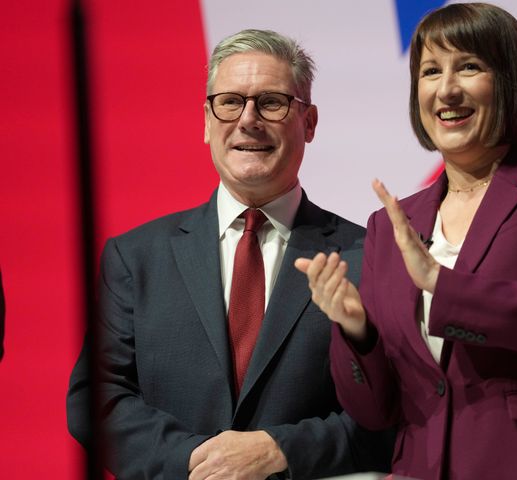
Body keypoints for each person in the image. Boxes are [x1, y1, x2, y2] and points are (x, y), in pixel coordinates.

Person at [296, 3, 517, 479]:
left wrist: (440, 283)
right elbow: (375, 412)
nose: (446, 90)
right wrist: (356, 331)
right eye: (431, 71)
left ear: (509, 80)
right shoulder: (391, 224)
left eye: (469, 66)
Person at [67, 29, 391, 480]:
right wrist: (197, 462)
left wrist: (280, 451)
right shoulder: (135, 257)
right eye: (230, 102)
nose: (248, 120)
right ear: (206, 120)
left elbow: (392, 412)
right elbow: (95, 398)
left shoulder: (367, 256)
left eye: (272, 102)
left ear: (310, 122)